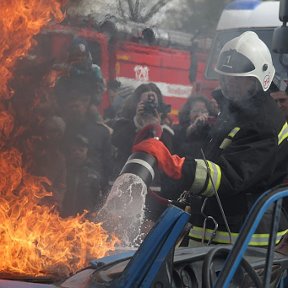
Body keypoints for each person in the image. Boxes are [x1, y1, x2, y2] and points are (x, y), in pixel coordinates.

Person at [132, 31, 288, 246]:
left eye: (237, 79)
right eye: (225, 77)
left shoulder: (264, 123)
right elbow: (212, 156)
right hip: (216, 229)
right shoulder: (238, 113)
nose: (228, 83)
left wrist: (176, 166)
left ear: (260, 80)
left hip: (242, 243)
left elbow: (230, 176)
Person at [54, 73, 113, 200]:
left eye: (81, 100)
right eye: (71, 100)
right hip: (62, 197)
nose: (75, 105)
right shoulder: (57, 131)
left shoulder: (101, 133)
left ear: (88, 103)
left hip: (91, 197)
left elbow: (107, 169)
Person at [61, 134, 102, 217]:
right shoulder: (64, 172)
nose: (77, 153)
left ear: (86, 151)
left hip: (85, 220)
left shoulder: (93, 174)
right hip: (64, 218)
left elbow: (98, 198)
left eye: (81, 150)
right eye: (74, 150)